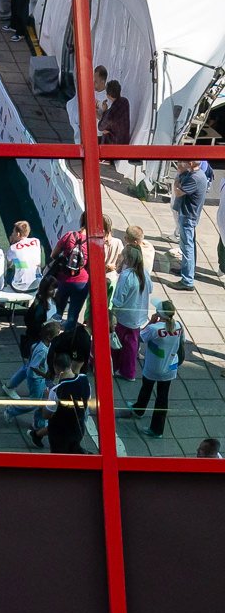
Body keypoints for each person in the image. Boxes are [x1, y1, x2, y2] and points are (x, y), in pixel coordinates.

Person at [129, 302, 190, 439]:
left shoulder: (154, 328)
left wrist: (151, 322)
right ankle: (157, 429)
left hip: (154, 366)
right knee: (163, 397)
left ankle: (139, 410)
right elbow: (182, 341)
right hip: (170, 366)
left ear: (159, 313)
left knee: (146, 388)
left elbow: (140, 337)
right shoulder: (178, 325)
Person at [110, 242, 152, 382]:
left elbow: (118, 299)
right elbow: (150, 289)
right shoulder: (144, 273)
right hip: (138, 316)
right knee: (132, 344)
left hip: (124, 317)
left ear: (127, 258)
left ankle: (118, 368)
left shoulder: (126, 275)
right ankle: (128, 371)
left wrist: (112, 313)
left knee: (118, 343)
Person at [39, 354, 92, 453]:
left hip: (60, 434)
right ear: (70, 364)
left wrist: (46, 397)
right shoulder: (84, 379)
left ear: (56, 368)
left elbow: (46, 415)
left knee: (59, 458)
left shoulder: (56, 390)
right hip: (78, 429)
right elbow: (87, 400)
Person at [171, 159, 211, 291]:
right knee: (189, 245)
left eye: (184, 161)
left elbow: (178, 192)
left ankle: (187, 280)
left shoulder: (195, 178)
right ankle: (187, 270)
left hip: (187, 216)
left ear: (191, 163)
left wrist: (177, 178)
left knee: (187, 247)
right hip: (190, 215)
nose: (181, 163)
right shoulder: (196, 174)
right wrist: (182, 172)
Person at [50, 229, 93, 324]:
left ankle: (54, 327)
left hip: (63, 280)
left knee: (58, 312)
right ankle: (69, 330)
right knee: (73, 316)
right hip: (81, 282)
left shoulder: (69, 235)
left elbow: (53, 255)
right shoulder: (92, 241)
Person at [6, 221, 44, 295]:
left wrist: (12, 243)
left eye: (13, 232)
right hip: (38, 284)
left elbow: (8, 264)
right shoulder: (37, 241)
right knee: (22, 263)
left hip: (19, 287)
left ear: (18, 234)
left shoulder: (13, 248)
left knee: (10, 268)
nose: (12, 234)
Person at [98, 79, 132, 147]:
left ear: (109, 95)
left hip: (114, 144)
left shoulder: (110, 114)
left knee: (91, 141)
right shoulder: (125, 101)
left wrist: (104, 111)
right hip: (124, 139)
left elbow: (100, 127)